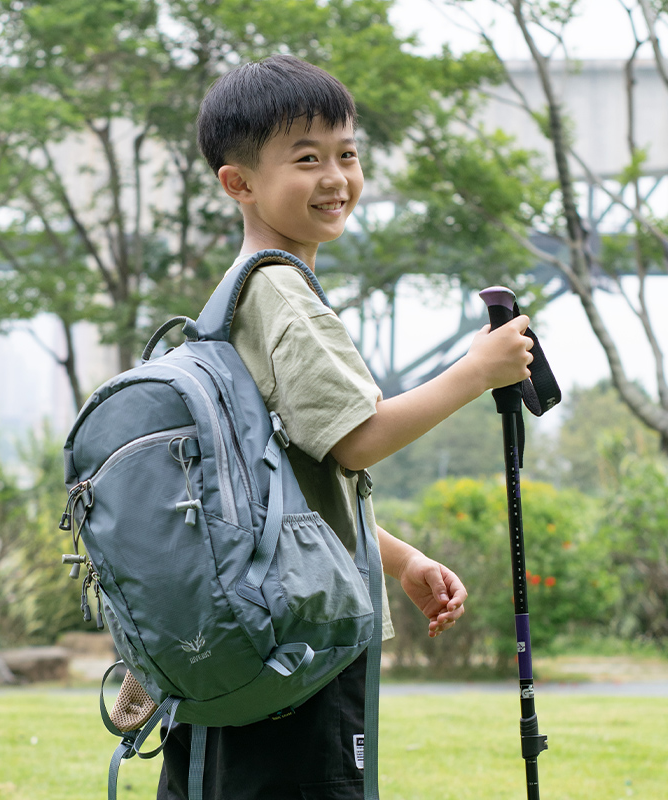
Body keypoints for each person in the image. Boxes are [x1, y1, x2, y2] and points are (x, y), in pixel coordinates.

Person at [157, 54, 534, 800]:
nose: (336, 177)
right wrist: (478, 370)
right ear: (239, 183)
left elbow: (285, 488)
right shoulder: (281, 292)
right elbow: (359, 439)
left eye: (347, 154)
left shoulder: (226, 305)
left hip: (245, 639)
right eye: (307, 159)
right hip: (305, 641)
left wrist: (397, 560)